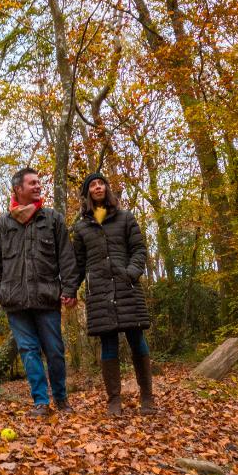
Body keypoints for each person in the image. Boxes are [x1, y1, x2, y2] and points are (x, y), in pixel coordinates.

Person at [0, 167, 80, 417]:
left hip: (47, 298)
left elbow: (67, 258)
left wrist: (69, 288)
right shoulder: (2, 225)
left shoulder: (52, 219)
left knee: (55, 351)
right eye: (33, 183)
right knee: (28, 352)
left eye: (39, 183)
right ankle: (41, 402)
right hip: (15, 302)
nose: (38, 186)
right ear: (18, 189)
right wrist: (0, 292)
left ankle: (61, 399)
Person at [71, 171, 157, 416]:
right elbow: (78, 263)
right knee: (108, 345)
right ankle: (114, 401)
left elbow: (139, 249)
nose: (97, 187)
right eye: (93, 185)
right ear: (88, 193)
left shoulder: (125, 218)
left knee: (137, 341)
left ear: (106, 189)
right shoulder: (81, 226)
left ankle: (147, 398)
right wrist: (69, 291)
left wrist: (131, 273)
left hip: (127, 287)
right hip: (99, 293)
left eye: (101, 183)